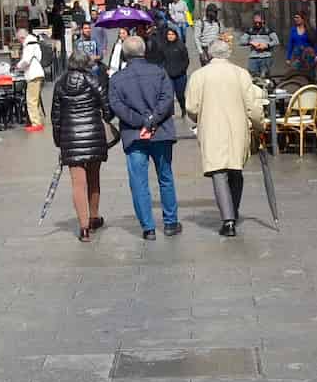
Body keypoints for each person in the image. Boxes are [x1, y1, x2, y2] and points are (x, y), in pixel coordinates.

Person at [184, 38, 269, 237]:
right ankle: (234, 210)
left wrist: (200, 116)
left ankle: (228, 220)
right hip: (237, 128)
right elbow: (252, 105)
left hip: (212, 128)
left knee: (218, 172)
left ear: (210, 55)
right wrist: (259, 126)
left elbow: (191, 107)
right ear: (227, 54)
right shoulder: (241, 74)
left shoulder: (199, 76)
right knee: (235, 169)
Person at [107, 35, 180, 239]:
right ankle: (171, 222)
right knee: (165, 176)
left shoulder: (117, 79)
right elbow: (167, 99)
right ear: (144, 52)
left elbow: (117, 106)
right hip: (161, 131)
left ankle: (148, 227)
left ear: (124, 54)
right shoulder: (159, 72)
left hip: (133, 134)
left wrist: (140, 121)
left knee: (139, 182)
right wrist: (152, 120)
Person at [50, 45, 112, 242]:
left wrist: (59, 140)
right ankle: (94, 217)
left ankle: (84, 228)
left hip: (71, 138)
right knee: (94, 178)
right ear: (86, 63)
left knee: (78, 184)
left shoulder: (60, 84)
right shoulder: (93, 81)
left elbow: (55, 116)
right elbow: (107, 108)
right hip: (93, 134)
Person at [16, 27, 47, 131]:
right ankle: (37, 120)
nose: (19, 42)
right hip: (38, 73)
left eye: (19, 40)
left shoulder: (28, 45)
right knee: (35, 99)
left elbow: (26, 60)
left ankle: (36, 123)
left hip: (33, 75)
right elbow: (39, 58)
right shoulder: (35, 43)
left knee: (31, 101)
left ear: (22, 37)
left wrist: (18, 66)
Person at [158, 24, 192, 118]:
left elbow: (186, 60)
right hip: (168, 75)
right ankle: (170, 113)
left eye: (172, 34)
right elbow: (161, 60)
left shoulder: (181, 46)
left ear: (176, 35)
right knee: (169, 96)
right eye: (169, 34)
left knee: (180, 95)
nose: (170, 36)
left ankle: (183, 108)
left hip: (180, 76)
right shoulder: (163, 46)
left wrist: (181, 70)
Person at [287, 10, 317, 78]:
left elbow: (315, 43)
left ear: (303, 18)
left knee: (309, 75)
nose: (295, 19)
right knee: (297, 74)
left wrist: (316, 55)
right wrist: (288, 58)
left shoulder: (310, 30)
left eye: (297, 17)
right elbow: (290, 44)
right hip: (297, 55)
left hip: (308, 55)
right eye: (295, 17)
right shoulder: (293, 30)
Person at [244, 12, 277, 77]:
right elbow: (242, 41)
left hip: (266, 58)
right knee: (253, 77)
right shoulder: (250, 31)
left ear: (263, 20)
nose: (257, 23)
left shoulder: (268, 30)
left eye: (259, 21)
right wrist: (251, 42)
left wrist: (266, 45)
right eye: (255, 21)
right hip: (253, 58)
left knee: (264, 77)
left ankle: (267, 86)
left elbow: (276, 41)